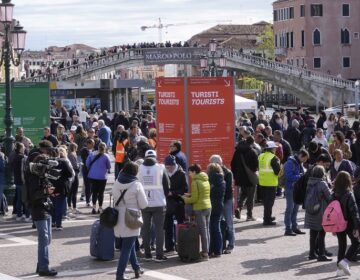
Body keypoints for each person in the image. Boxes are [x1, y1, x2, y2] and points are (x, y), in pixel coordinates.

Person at [25, 141, 57, 276]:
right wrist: (46, 191)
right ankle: (44, 267)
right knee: (44, 238)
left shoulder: (42, 175)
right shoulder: (33, 177)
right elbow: (33, 194)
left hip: (45, 206)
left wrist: (50, 189)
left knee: (48, 238)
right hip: (38, 208)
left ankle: (40, 264)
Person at [113, 162, 148, 280]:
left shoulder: (117, 182)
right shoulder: (136, 184)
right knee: (127, 248)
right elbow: (143, 204)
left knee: (129, 244)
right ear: (134, 172)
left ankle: (136, 268)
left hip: (118, 216)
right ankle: (120, 274)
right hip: (131, 217)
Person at [137, 150, 170, 262]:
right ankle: (159, 255)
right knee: (159, 229)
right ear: (155, 157)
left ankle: (147, 254)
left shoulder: (139, 168)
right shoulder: (161, 167)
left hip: (144, 203)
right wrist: (163, 196)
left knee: (145, 228)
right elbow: (167, 186)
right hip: (159, 203)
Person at [333, 171, 360, 277]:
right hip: (349, 223)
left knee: (342, 245)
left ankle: (339, 270)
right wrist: (357, 226)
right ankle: (345, 261)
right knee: (356, 243)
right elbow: (354, 211)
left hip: (338, 223)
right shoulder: (349, 194)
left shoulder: (334, 193)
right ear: (348, 181)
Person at [182, 164, 211, 260]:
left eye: (190, 172)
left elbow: (195, 199)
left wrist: (185, 199)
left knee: (202, 231)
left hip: (199, 208)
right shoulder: (205, 179)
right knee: (206, 230)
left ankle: (205, 253)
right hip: (208, 206)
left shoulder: (195, 182)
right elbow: (202, 193)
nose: (189, 174)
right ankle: (207, 251)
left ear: (194, 172)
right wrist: (190, 194)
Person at [304, 165, 332, 261]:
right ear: (322, 173)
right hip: (320, 212)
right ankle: (321, 255)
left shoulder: (309, 182)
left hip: (310, 212)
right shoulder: (322, 183)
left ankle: (312, 253)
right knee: (322, 234)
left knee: (313, 234)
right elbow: (330, 198)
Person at [209, 155, 235, 254]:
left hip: (227, 200)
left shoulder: (227, 173)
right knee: (219, 223)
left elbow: (227, 189)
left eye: (211, 163)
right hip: (219, 201)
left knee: (229, 223)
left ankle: (231, 244)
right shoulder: (213, 173)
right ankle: (222, 244)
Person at [163, 155, 188, 253]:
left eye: (169, 167)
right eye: (166, 167)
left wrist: (173, 192)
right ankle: (169, 247)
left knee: (180, 224)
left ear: (174, 165)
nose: (168, 169)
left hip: (178, 202)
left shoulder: (181, 174)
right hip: (167, 203)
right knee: (168, 225)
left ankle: (181, 245)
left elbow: (184, 189)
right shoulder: (164, 173)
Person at [231, 136, 258, 221]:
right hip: (250, 178)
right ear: (252, 143)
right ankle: (249, 215)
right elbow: (255, 166)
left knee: (243, 193)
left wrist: (236, 175)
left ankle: (239, 208)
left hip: (240, 177)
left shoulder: (237, 151)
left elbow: (232, 164)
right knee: (251, 196)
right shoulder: (253, 152)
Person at [283, 149, 309, 236]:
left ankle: (294, 227)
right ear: (300, 155)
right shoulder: (290, 163)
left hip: (296, 189)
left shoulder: (298, 163)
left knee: (295, 209)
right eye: (304, 159)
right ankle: (288, 229)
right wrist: (300, 176)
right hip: (290, 188)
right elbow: (288, 176)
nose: (305, 161)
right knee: (290, 209)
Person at [50, 147, 74, 230]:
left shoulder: (48, 162)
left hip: (50, 186)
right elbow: (70, 174)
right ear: (58, 153)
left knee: (52, 205)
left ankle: (52, 221)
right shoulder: (63, 162)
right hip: (61, 186)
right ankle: (58, 224)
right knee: (59, 206)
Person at [258, 141, 281, 226]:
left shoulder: (261, 156)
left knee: (266, 202)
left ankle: (267, 216)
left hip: (262, 182)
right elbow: (277, 171)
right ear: (271, 149)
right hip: (271, 183)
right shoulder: (273, 158)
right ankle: (267, 220)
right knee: (269, 202)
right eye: (274, 148)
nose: (275, 149)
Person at [86, 142, 111, 214]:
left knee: (94, 192)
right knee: (101, 193)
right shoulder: (106, 156)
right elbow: (109, 166)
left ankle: (93, 207)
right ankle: (100, 208)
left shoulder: (92, 154)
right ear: (105, 148)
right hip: (102, 177)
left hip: (92, 175)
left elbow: (87, 163)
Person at [207, 163, 226, 258]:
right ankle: (218, 250)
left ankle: (210, 250)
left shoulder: (209, 180)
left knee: (210, 228)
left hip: (210, 205)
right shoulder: (222, 181)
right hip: (219, 205)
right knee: (217, 228)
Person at [12, 142, 31, 222]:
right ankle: (27, 216)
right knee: (25, 199)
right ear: (20, 149)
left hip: (17, 180)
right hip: (23, 181)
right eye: (23, 147)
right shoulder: (24, 157)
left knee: (19, 199)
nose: (24, 148)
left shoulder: (14, 157)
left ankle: (19, 215)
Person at [67, 143, 81, 214]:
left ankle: (69, 206)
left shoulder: (68, 154)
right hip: (74, 175)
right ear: (74, 148)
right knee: (74, 192)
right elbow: (75, 166)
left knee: (70, 192)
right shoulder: (72, 155)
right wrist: (79, 165)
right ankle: (74, 207)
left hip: (70, 175)